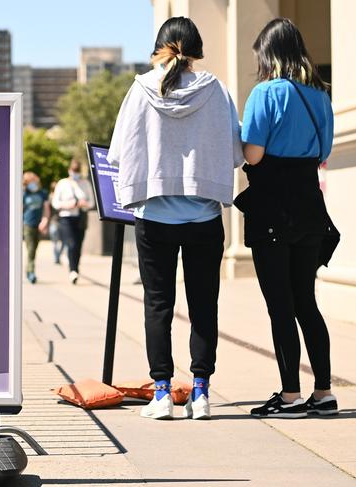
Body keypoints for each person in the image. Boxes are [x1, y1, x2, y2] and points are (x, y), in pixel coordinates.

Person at [108, 16, 243, 420]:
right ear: (195, 49)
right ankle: (200, 393)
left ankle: (163, 393)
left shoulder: (140, 90)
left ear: (159, 47)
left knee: (158, 305)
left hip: (155, 216)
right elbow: (234, 151)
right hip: (203, 215)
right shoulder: (216, 90)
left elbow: (119, 152)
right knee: (205, 304)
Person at [236, 18, 339, 418]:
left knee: (280, 306)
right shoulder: (321, 96)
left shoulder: (265, 93)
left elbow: (253, 155)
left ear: (269, 54)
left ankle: (291, 396)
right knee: (306, 304)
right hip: (310, 208)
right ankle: (325, 393)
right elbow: (324, 153)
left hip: (272, 210)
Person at [51, 160, 93, 284]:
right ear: (69, 170)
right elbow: (55, 203)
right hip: (66, 217)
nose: (75, 174)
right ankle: (72, 270)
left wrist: (83, 204)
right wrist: (67, 205)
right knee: (72, 243)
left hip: (80, 217)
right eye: (74, 171)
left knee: (78, 245)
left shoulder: (85, 183)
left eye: (77, 171)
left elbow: (92, 203)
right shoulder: (62, 183)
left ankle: (75, 268)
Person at [22, 171, 49, 284]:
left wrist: (45, 220)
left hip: (39, 225)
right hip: (27, 224)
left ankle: (28, 270)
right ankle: (31, 273)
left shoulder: (42, 193)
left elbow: (46, 209)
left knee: (34, 249)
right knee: (31, 249)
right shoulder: (24, 194)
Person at [48, 181, 66, 265]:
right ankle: (56, 257)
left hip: (62, 221)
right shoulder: (50, 197)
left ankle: (58, 256)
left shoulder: (63, 198)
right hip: (53, 221)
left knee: (64, 241)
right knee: (55, 241)